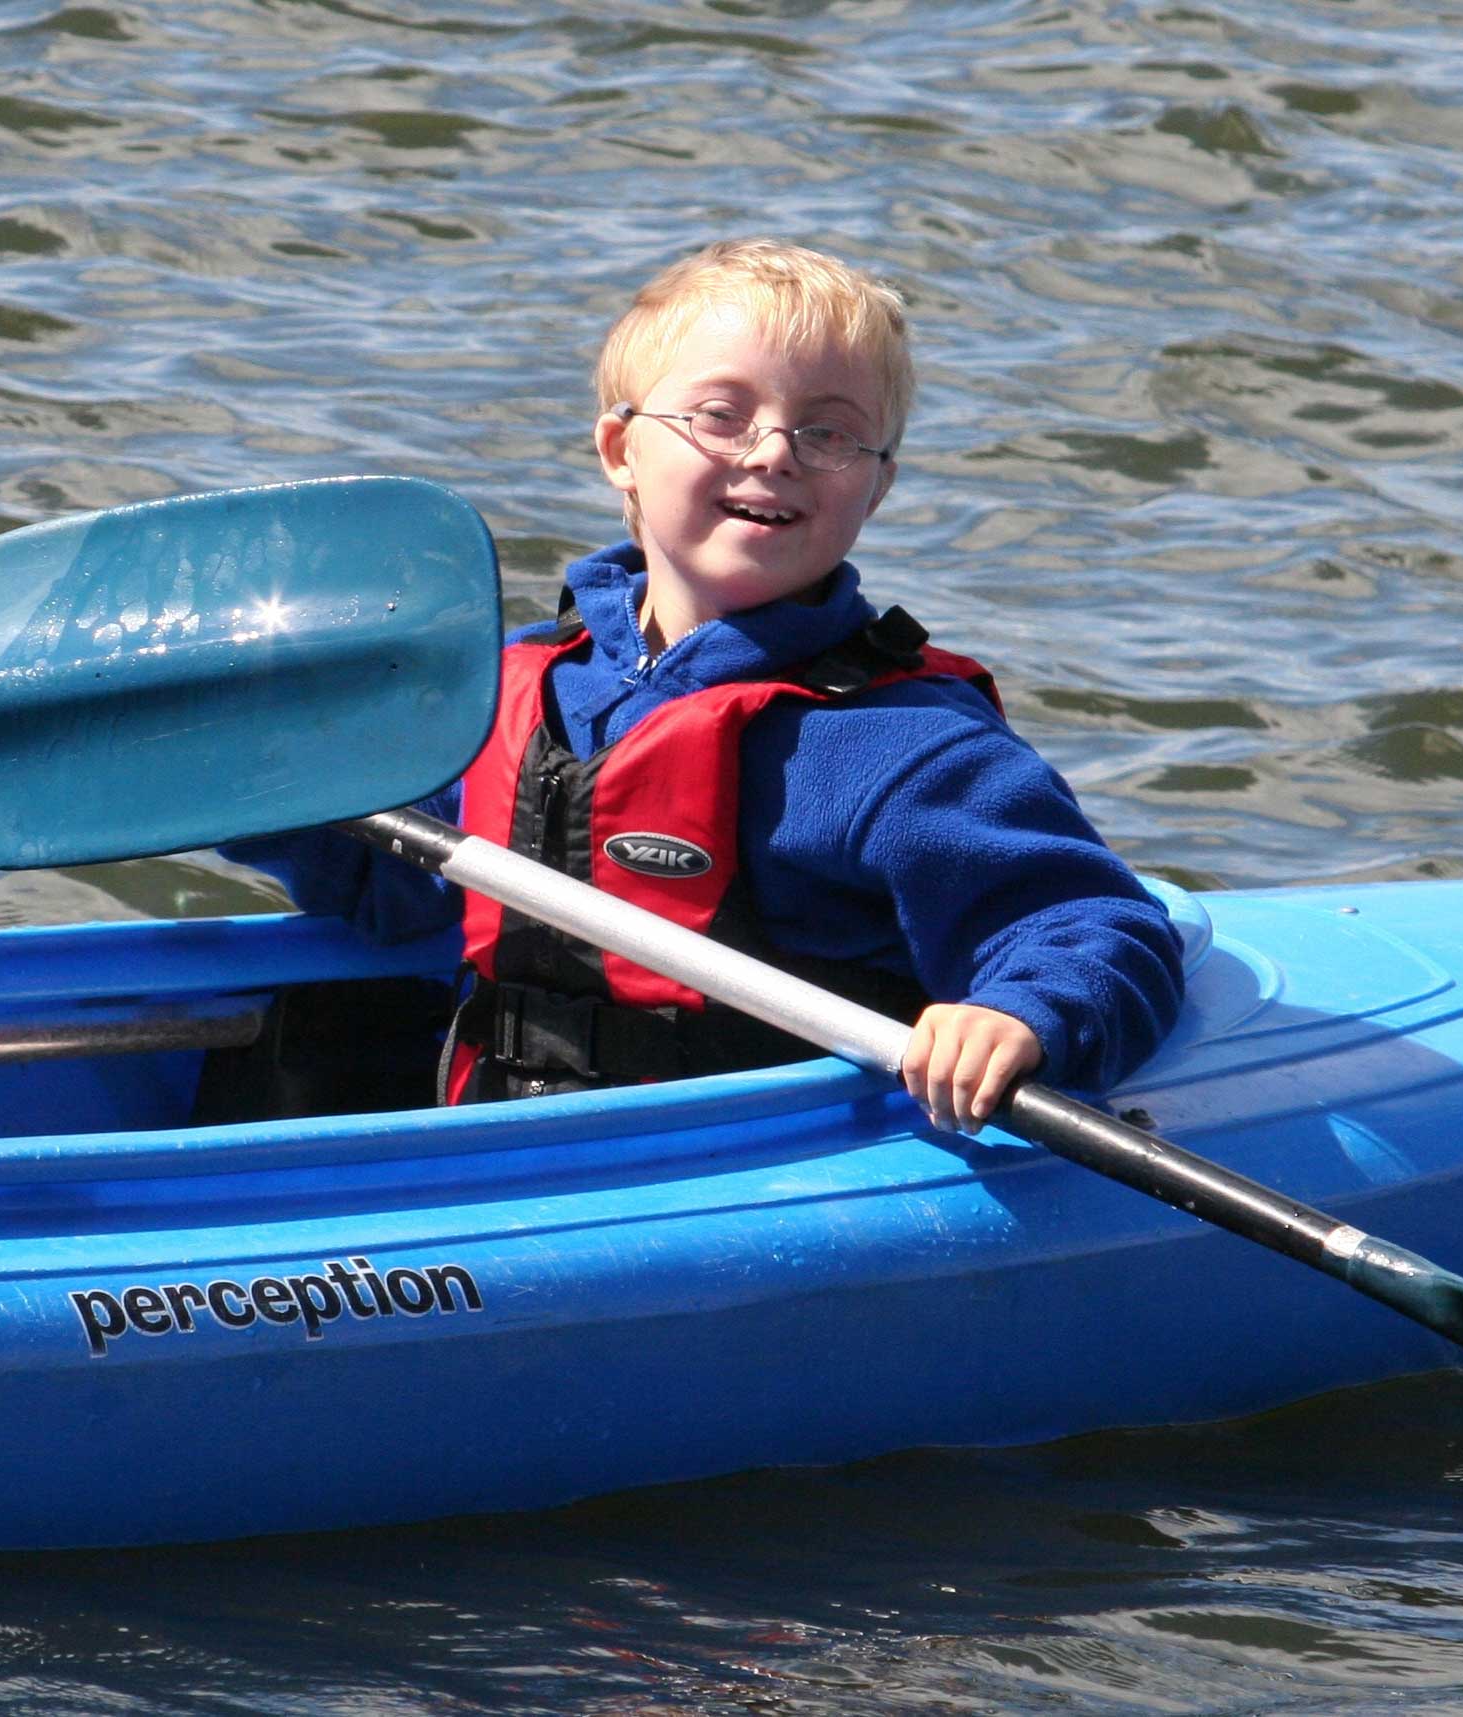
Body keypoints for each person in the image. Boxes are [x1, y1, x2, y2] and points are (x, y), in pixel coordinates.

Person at [229, 238, 1183, 1131]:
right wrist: (249, 783)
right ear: (620, 452)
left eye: (830, 433)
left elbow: (1092, 923)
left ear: (877, 486)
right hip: (494, 1139)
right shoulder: (513, 687)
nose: (773, 451)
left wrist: (1021, 1015)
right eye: (721, 415)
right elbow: (394, 890)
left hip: (750, 1169)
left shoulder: (904, 746)